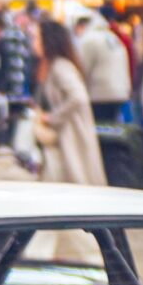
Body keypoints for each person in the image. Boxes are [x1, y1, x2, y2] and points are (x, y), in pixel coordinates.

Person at [33, 17, 107, 187]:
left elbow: (79, 96)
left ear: (48, 40)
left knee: (73, 179)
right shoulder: (51, 65)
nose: (33, 42)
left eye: (37, 37)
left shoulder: (60, 66)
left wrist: (52, 117)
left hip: (70, 134)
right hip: (63, 136)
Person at [72, 6, 132, 122]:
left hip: (99, 95)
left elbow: (82, 70)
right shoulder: (111, 37)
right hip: (120, 93)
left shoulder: (88, 39)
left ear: (81, 26)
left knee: (99, 128)